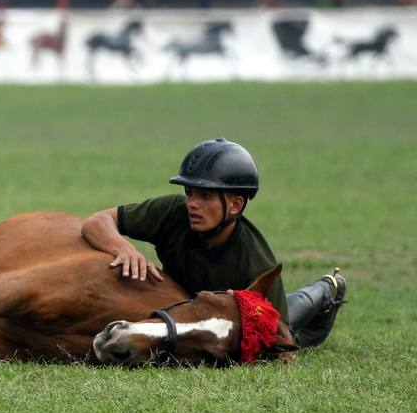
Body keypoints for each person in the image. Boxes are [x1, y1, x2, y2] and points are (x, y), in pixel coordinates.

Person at [81, 138, 345, 349]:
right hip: (188, 309)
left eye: (205, 195)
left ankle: (327, 289)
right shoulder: (175, 212)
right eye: (189, 192)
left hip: (240, 318)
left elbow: (277, 335)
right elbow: (97, 221)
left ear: (235, 204)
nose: (193, 203)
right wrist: (123, 248)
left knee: (291, 336)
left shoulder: (256, 263)